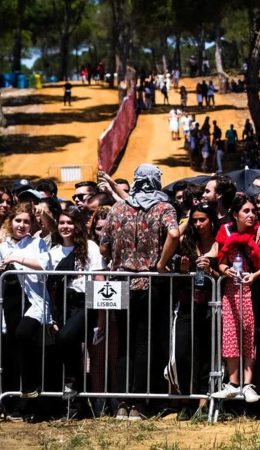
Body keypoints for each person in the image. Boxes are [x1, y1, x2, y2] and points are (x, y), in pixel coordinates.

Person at [98, 164, 179, 420]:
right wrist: (161, 263)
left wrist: (121, 257)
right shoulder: (164, 208)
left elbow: (103, 249)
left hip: (120, 283)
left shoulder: (117, 208)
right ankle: (140, 404)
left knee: (124, 343)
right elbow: (174, 233)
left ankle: (122, 404)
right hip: (148, 282)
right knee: (145, 343)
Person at [0, 204, 50, 419]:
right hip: (10, 303)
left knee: (24, 336)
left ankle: (32, 389)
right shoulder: (2, 247)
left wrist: (16, 259)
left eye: (26, 222)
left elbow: (44, 265)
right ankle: (17, 404)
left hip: (33, 301)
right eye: (18, 221)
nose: (21, 225)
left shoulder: (37, 243)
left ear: (31, 225)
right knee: (13, 351)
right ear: (10, 222)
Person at [214, 195, 260, 407]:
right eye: (246, 211)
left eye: (253, 211)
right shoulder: (225, 231)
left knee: (249, 335)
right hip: (231, 290)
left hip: (252, 290)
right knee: (230, 335)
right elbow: (221, 261)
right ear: (235, 214)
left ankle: (248, 384)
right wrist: (226, 270)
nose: (251, 215)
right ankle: (232, 383)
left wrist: (254, 276)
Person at [160, 202, 218, 414]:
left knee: (206, 354)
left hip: (211, 306)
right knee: (181, 352)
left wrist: (211, 272)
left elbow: (225, 274)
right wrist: (183, 271)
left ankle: (203, 401)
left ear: (211, 220)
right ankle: (185, 397)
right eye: (195, 220)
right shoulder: (185, 240)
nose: (199, 224)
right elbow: (170, 241)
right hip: (185, 304)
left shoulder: (220, 242)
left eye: (203, 219)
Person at [47, 205, 104, 403]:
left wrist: (102, 316)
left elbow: (99, 279)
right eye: (62, 222)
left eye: (70, 222)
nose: (65, 226)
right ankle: (75, 403)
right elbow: (52, 286)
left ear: (78, 225)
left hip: (86, 302)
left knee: (66, 337)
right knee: (67, 344)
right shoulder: (54, 251)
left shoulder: (91, 247)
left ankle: (73, 379)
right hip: (63, 303)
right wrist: (51, 315)